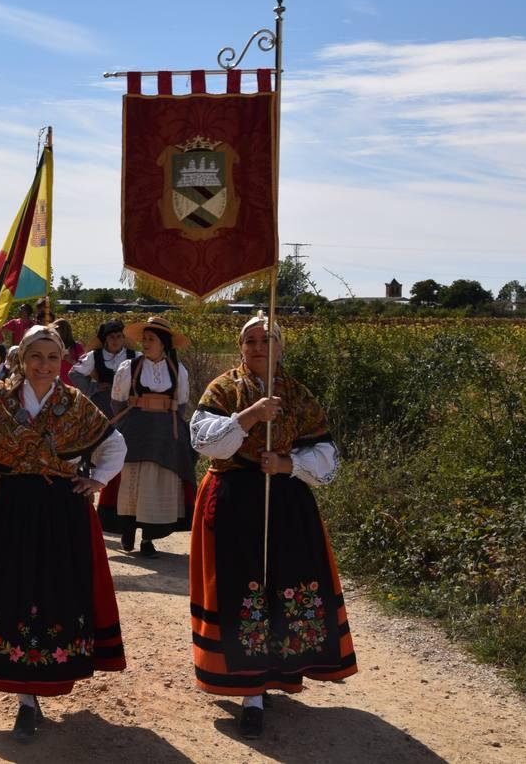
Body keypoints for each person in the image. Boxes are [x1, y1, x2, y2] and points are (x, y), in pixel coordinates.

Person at [0, 326, 128, 741]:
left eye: (53, 357)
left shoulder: (74, 403)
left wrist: (96, 481)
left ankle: (45, 679)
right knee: (12, 593)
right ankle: (25, 697)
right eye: (37, 356)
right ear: (22, 359)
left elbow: (114, 444)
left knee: (55, 592)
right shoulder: (0, 399)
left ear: (62, 362)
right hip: (11, 509)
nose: (45, 365)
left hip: (62, 511)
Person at [188, 315, 356, 739]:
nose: (258, 347)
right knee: (239, 589)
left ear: (280, 346)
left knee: (283, 586)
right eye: (250, 340)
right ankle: (249, 692)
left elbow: (326, 455)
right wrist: (249, 416)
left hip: (284, 500)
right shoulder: (223, 389)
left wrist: (288, 464)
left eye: (267, 340)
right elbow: (205, 441)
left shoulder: (297, 394)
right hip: (232, 501)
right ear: (240, 347)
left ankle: (275, 674)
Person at [109, 316, 195, 557]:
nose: (146, 343)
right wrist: (130, 423)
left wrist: (171, 430)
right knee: (131, 482)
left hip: (165, 435)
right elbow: (117, 402)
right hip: (136, 432)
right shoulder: (130, 367)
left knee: (156, 485)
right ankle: (128, 530)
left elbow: (182, 404)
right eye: (144, 339)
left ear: (164, 343)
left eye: (151, 339)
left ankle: (148, 538)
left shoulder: (178, 370)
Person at [69, 320, 134, 417]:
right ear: (106, 339)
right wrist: (93, 388)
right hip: (101, 406)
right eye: (111, 337)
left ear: (123, 338)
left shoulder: (135, 356)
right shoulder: (94, 356)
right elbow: (74, 373)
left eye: (119, 336)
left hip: (127, 406)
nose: (115, 340)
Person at [50, 318, 85, 386]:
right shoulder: (53, 345)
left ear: (64, 331)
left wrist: (70, 360)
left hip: (73, 386)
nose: (53, 332)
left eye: (56, 330)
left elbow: (84, 367)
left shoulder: (77, 347)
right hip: (56, 385)